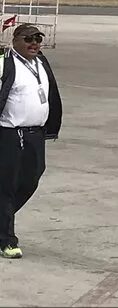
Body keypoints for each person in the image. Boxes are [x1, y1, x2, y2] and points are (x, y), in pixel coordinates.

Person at [0, 24, 63, 259]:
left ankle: (1, 223)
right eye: (28, 39)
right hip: (10, 134)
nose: (34, 43)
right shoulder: (6, 62)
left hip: (36, 135)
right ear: (15, 40)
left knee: (30, 181)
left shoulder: (41, 62)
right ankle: (7, 240)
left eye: (38, 39)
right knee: (6, 187)